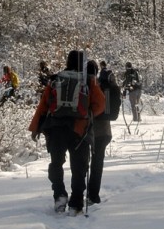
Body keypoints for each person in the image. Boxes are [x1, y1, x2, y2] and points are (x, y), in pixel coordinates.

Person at [29, 50, 105, 214]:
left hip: (56, 129)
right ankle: (76, 203)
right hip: (79, 130)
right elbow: (100, 104)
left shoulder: (55, 79)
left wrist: (35, 128)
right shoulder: (87, 80)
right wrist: (87, 113)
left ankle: (59, 195)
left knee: (56, 163)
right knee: (79, 167)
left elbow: (43, 106)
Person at [86, 60, 121, 205]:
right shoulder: (103, 85)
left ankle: (80, 194)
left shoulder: (85, 86)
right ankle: (93, 195)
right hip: (104, 131)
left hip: (85, 131)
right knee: (97, 163)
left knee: (82, 164)